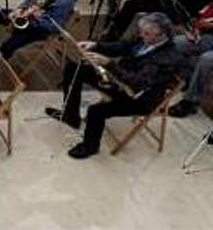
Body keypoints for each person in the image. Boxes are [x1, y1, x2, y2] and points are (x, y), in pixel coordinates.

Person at [47, 12, 185, 159]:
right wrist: (96, 45)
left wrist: (109, 64)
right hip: (119, 81)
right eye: (142, 32)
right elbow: (124, 46)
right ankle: (70, 115)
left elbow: (137, 83)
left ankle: (90, 146)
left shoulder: (167, 58)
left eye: (146, 34)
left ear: (161, 36)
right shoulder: (146, 39)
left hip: (139, 98)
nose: (141, 36)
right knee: (74, 68)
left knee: (96, 111)